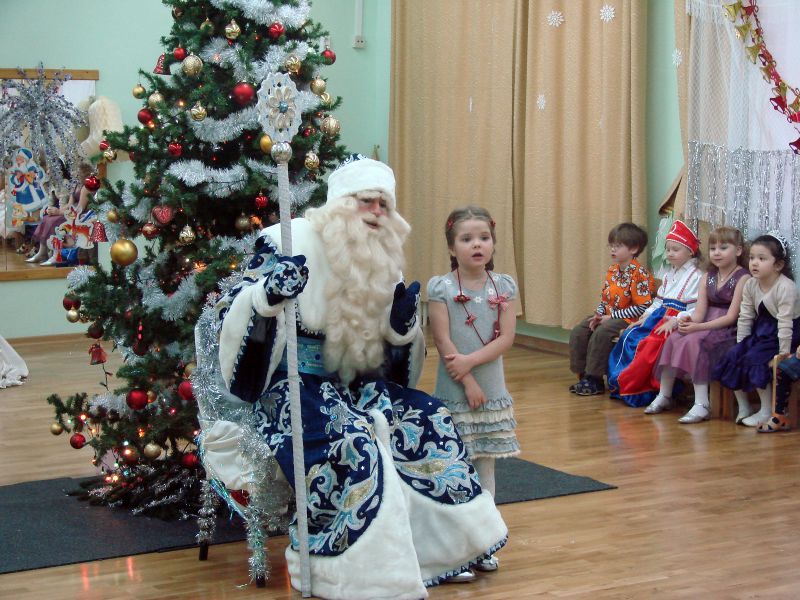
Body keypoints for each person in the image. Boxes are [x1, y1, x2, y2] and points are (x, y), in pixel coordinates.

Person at [210, 155, 507, 599]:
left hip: (357, 382)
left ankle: (444, 550)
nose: (376, 212)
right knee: (352, 441)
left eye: (384, 205)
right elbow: (235, 315)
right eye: (367, 201)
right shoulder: (286, 241)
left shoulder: (385, 258)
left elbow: (395, 359)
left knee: (428, 417)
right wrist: (267, 297)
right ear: (341, 204)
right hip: (292, 385)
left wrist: (401, 327)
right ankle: (356, 570)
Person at [426, 206, 519, 576]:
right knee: (453, 465)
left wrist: (471, 364)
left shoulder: (504, 286)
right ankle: (455, 549)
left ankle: (484, 543)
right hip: (455, 391)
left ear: (493, 243)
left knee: (485, 467)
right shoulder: (442, 288)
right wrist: (465, 377)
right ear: (453, 248)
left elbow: (506, 338)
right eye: (467, 239)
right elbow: (442, 339)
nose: (477, 244)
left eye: (484, 237)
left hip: (491, 392)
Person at [651, 227, 749, 422]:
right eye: (713, 248)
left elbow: (731, 317)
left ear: (738, 251)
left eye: (723, 248)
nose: (717, 252)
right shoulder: (707, 277)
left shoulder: (743, 277)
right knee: (674, 339)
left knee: (695, 342)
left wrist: (698, 327)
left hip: (727, 329)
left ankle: (702, 403)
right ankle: (665, 395)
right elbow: (699, 314)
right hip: (705, 323)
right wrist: (684, 321)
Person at [608, 220, 703, 407]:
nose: (670, 253)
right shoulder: (668, 273)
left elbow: (695, 308)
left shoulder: (697, 275)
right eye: (668, 250)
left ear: (690, 251)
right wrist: (645, 317)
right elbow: (659, 301)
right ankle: (622, 383)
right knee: (630, 334)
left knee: (650, 344)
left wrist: (676, 320)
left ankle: (645, 388)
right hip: (659, 316)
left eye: (676, 250)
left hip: (675, 318)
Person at [713, 232, 800, 431]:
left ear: (778, 265)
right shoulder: (751, 284)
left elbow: (785, 323)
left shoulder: (785, 287)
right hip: (762, 332)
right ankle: (744, 407)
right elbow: (745, 317)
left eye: (762, 259)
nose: (754, 263)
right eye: (752, 258)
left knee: (754, 359)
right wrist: (742, 344)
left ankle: (766, 410)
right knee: (734, 356)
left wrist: (783, 353)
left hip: (785, 335)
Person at [569, 223, 655, 396]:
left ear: (633, 249)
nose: (613, 249)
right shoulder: (612, 271)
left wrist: (612, 316)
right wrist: (599, 314)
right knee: (580, 330)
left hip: (629, 319)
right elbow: (605, 298)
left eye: (618, 246)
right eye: (611, 246)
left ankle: (594, 378)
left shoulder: (639, 274)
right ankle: (583, 375)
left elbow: (643, 306)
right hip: (609, 316)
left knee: (602, 333)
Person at [27, 163, 92, 265]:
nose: (74, 173)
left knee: (56, 221)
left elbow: (80, 208)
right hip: (71, 213)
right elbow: (69, 205)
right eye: (73, 171)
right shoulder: (76, 186)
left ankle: (56, 254)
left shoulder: (86, 187)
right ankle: (42, 252)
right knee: (47, 218)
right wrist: (55, 210)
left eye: (77, 171)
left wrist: (59, 212)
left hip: (80, 216)